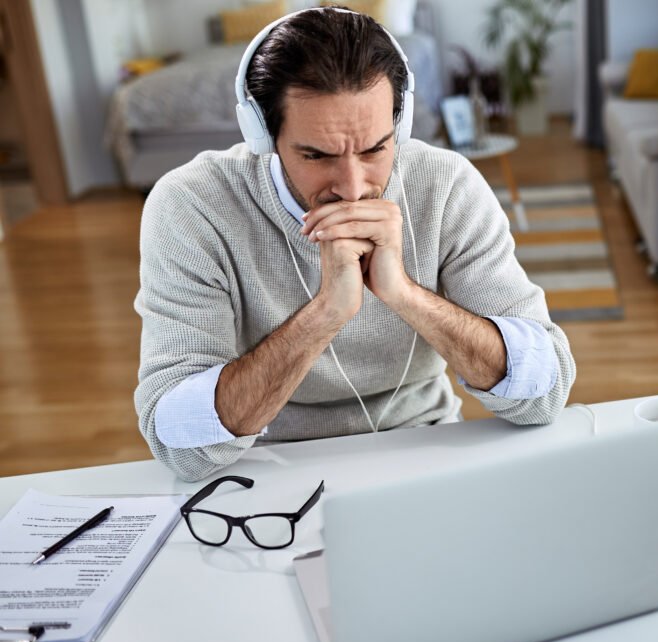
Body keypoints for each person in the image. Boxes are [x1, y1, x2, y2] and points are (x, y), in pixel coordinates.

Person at [134, 8, 576, 482]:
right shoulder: (192, 204)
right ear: (263, 135)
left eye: (374, 150)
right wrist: (325, 313)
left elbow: (544, 393)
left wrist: (405, 294)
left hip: (425, 448)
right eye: (316, 155)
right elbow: (178, 444)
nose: (352, 187)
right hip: (264, 467)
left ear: (399, 127)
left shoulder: (447, 185)